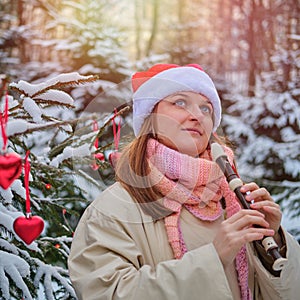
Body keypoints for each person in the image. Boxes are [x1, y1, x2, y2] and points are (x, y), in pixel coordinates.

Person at [68, 64, 300, 300]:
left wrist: (273, 245)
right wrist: (213, 259)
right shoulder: (112, 209)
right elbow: (108, 293)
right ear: (150, 119)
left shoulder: (234, 201)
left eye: (206, 109)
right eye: (179, 102)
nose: (197, 115)